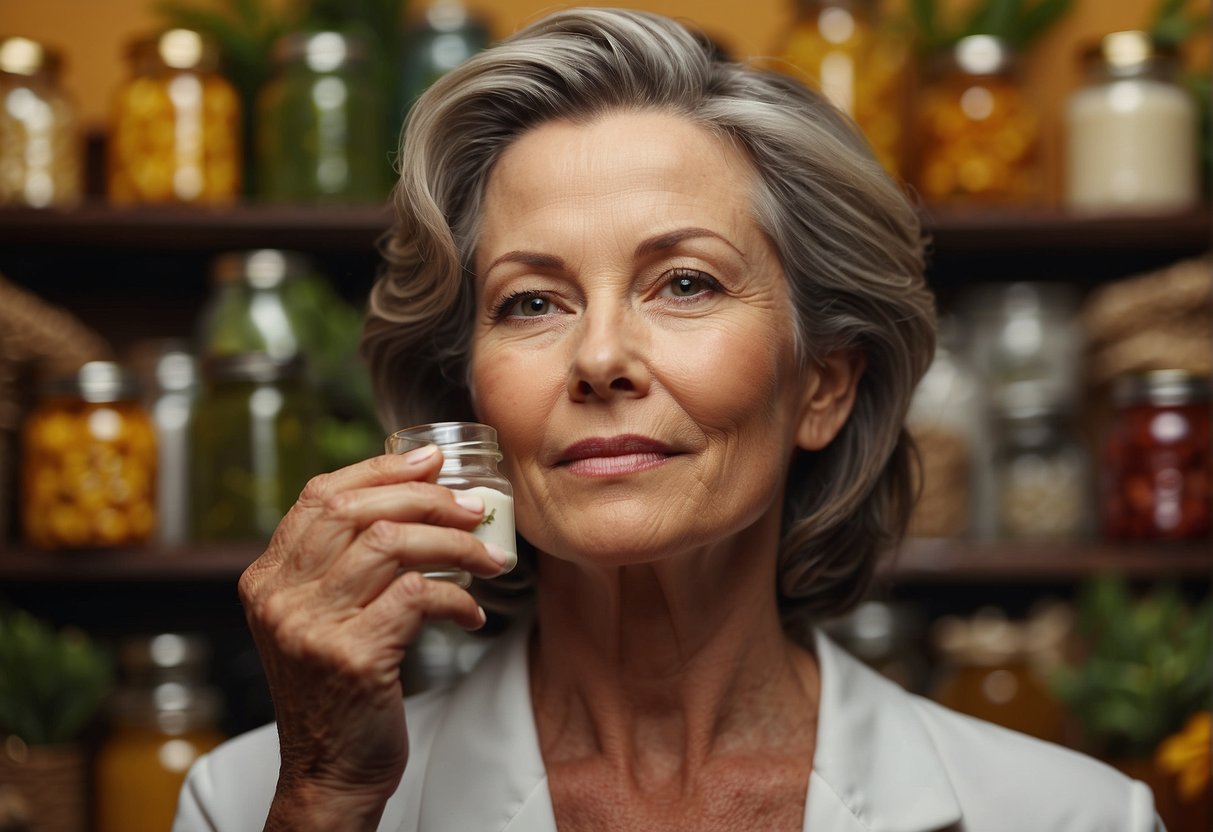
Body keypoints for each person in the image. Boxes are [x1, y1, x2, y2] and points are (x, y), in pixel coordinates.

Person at [174, 8, 1162, 831]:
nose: (600, 358)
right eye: (531, 302)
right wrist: (326, 797)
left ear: (823, 385)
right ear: (468, 398)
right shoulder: (255, 799)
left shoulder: (1070, 815)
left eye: (684, 284)